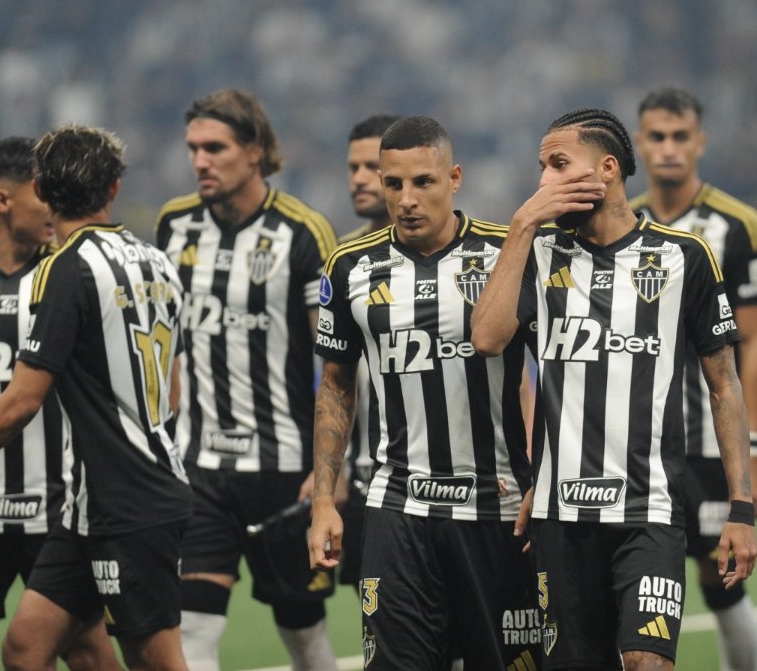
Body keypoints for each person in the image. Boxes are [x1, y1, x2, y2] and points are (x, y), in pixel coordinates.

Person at [470, 108, 757, 671]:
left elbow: (724, 385)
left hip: (647, 509)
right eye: (541, 168)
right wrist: (523, 226)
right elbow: (486, 337)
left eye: (557, 165)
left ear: (606, 170)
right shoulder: (538, 253)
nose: (544, 181)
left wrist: (740, 507)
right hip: (557, 515)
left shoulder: (684, 258)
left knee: (647, 663)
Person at [0, 125, 192, 670]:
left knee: (151, 660)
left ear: (42, 189)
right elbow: (174, 385)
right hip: (90, 504)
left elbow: (21, 401)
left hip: (123, 502)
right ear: (113, 189)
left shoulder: (64, 269)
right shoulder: (156, 260)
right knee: (23, 649)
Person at [308, 116, 540, 670]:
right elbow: (336, 386)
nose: (407, 199)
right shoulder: (349, 267)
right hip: (397, 510)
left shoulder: (508, 255)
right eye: (394, 185)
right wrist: (323, 500)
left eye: (423, 183)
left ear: (454, 177)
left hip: (498, 506)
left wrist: (546, 478)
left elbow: (553, 374)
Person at [155, 89, 338, 671]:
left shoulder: (304, 232)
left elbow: (336, 362)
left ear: (255, 150)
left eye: (215, 148)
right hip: (201, 470)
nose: (200, 161)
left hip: (284, 472)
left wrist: (328, 469)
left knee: (303, 634)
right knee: (195, 632)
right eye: (194, 149)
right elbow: (171, 347)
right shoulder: (174, 226)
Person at [629, 87, 757, 671]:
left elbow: (756, 344)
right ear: (639, 143)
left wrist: (754, 453)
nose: (668, 149)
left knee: (723, 583)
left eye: (679, 136)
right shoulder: (622, 223)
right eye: (657, 137)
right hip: (639, 448)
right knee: (634, 583)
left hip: (710, 445)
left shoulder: (738, 225)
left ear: (700, 141)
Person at [334, 112, 399, 595]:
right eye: (353, 168)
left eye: (370, 168)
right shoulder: (342, 263)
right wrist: (327, 477)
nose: (359, 179)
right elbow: (333, 380)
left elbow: (517, 384)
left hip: (464, 487)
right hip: (365, 482)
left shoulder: (472, 258)